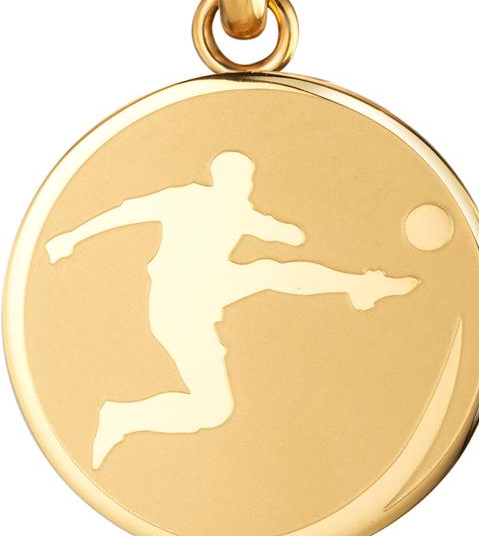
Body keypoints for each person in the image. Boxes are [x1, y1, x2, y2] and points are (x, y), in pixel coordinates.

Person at [46, 151, 419, 468]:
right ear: (221, 178)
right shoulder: (187, 199)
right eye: (240, 178)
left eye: (248, 179)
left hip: (208, 291)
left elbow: (293, 237)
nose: (245, 186)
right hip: (176, 304)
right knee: (214, 408)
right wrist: (71, 237)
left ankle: (361, 287)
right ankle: (123, 417)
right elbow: (124, 214)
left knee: (268, 277)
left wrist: (264, 223)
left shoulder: (238, 212)